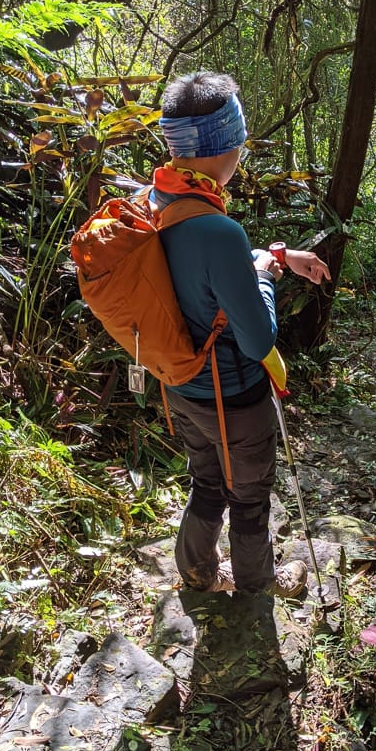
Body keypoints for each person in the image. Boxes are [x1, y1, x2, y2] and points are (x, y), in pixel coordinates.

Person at [154, 70, 331, 598]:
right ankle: (256, 589)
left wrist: (275, 256)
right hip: (232, 397)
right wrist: (266, 279)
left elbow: (200, 277)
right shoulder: (219, 229)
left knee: (206, 482)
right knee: (250, 498)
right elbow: (258, 340)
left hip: (179, 386)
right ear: (228, 143)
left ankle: (196, 574)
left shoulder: (157, 200)